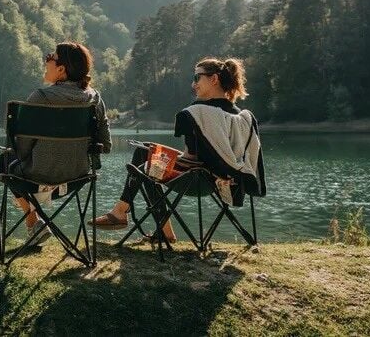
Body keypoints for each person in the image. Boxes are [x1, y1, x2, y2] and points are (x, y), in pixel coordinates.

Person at [91, 57, 264, 243]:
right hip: (228, 182)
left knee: (146, 161)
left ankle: (127, 214)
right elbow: (215, 156)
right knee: (147, 154)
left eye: (197, 78)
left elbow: (190, 159)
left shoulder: (196, 113)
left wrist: (158, 153)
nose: (193, 84)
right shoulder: (242, 116)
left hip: (195, 180)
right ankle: (124, 211)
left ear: (214, 79)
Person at [0, 41, 111, 241]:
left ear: (61, 69)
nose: (47, 59)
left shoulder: (40, 97)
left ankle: (33, 221)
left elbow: (20, 148)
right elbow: (105, 144)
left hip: (36, 177)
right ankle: (35, 224)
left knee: (3, 162)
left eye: (52, 56)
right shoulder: (95, 98)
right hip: (78, 176)